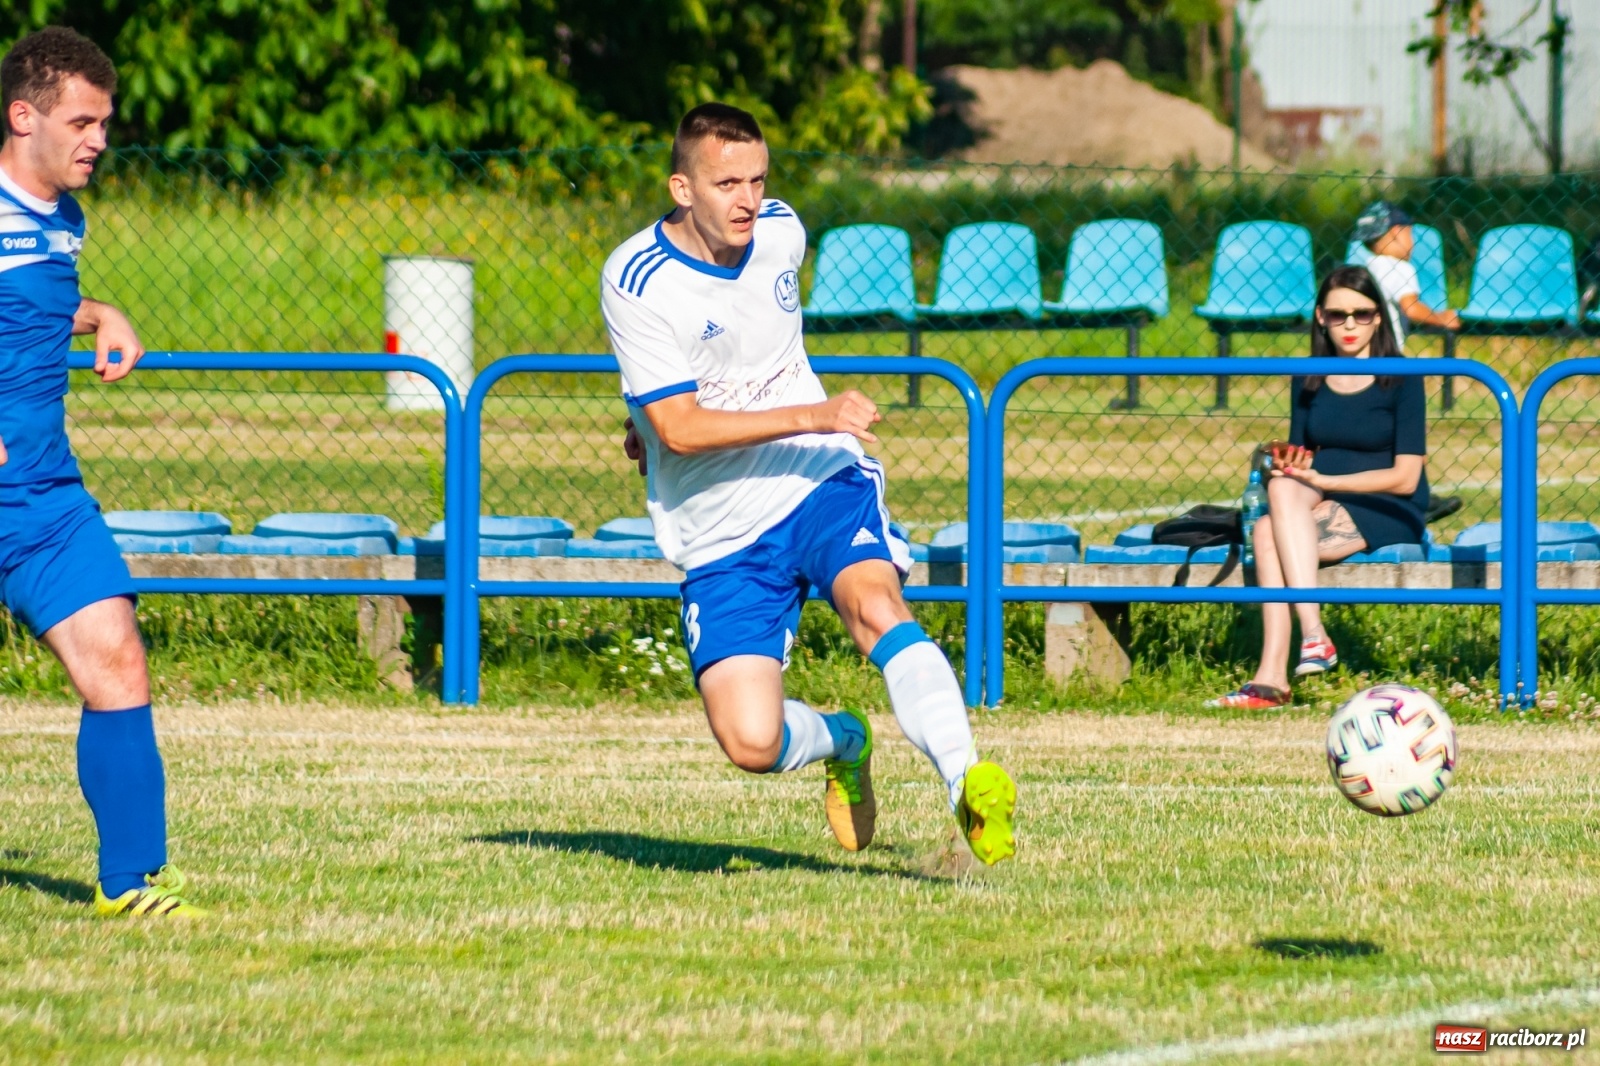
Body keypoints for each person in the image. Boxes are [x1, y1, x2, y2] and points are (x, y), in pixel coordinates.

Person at [601, 103, 1016, 864]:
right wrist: (665, 422)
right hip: (721, 527)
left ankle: (969, 784)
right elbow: (683, 428)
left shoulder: (782, 232)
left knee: (874, 606)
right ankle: (845, 740)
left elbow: (740, 357)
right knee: (751, 741)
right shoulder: (638, 280)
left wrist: (812, 426)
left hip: (816, 476)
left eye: (758, 179)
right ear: (681, 187)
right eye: (726, 182)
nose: (747, 200)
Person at [0, 27, 204, 916]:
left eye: (104, 122)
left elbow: (34, 298)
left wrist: (103, 312)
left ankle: (132, 884)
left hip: (41, 495)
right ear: (23, 115)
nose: (98, 140)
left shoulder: (62, 220)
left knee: (116, 658)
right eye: (81, 121)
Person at [1209, 265, 1429, 710]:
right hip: (1322, 492)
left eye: (1362, 314)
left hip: (1386, 502)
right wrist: (1282, 465)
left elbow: (1406, 477)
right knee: (1278, 500)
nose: (1349, 325)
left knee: (1270, 532)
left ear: (1379, 317)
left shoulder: (1402, 375)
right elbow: (1303, 453)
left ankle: (1275, 675)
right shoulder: (1308, 374)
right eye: (1337, 315)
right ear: (1320, 318)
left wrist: (1326, 480)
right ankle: (1309, 640)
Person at [1351, 201, 1461, 349]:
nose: (1413, 242)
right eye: (1410, 234)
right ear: (1397, 232)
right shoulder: (1400, 268)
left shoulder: (1366, 267)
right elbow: (1411, 308)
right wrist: (1442, 318)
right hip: (1387, 353)